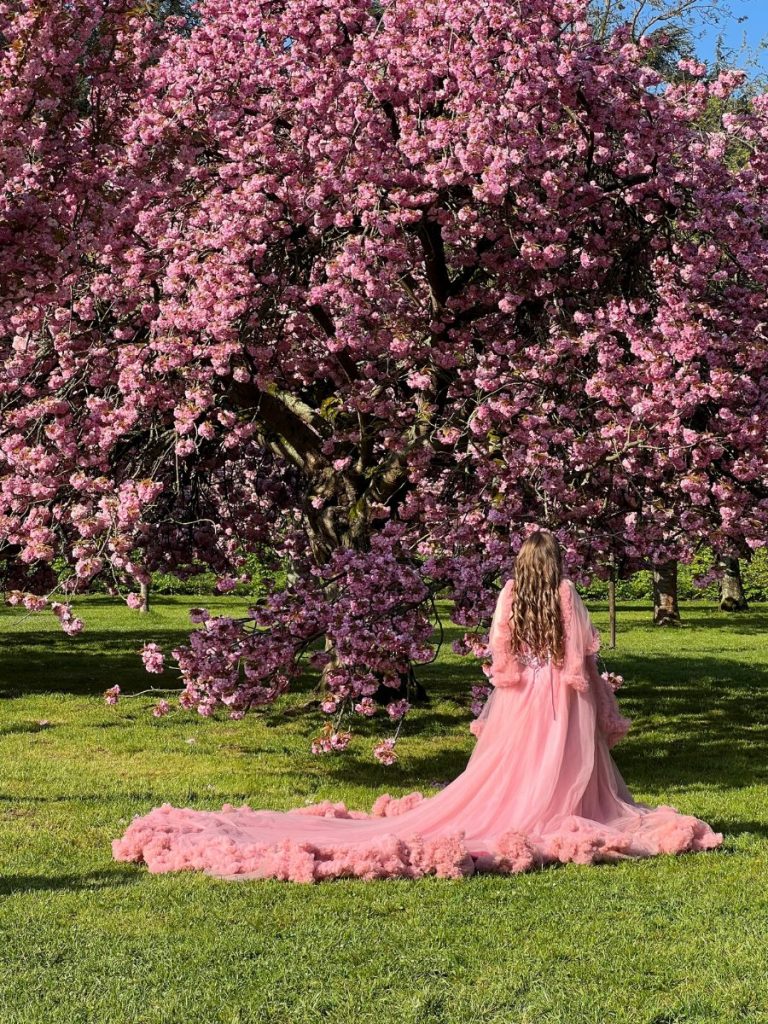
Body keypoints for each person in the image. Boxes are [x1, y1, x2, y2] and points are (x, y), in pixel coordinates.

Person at [112, 530, 722, 882]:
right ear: (556, 564)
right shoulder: (564, 591)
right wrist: (593, 696)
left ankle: (530, 810)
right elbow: (580, 657)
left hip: (520, 696)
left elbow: (500, 655)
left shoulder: (511, 592)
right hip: (560, 696)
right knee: (561, 765)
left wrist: (515, 681)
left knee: (510, 768)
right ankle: (551, 813)